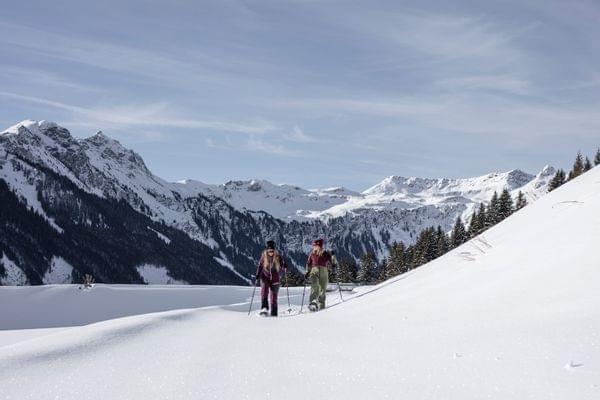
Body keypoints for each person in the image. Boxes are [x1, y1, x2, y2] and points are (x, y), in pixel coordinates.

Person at [256, 240, 288, 316]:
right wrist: (257, 275)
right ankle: (264, 308)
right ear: (267, 251)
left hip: (275, 279)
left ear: (274, 251)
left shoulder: (278, 257)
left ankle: (274, 312)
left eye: (272, 251)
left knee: (273, 297)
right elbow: (260, 266)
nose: (271, 253)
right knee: (264, 291)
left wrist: (284, 266)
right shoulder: (263, 257)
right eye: (269, 251)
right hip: (265, 277)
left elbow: (283, 264)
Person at [305, 238, 333, 311]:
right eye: (313, 246)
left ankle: (321, 306)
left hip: (324, 272)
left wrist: (332, 255)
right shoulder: (312, 254)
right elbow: (308, 263)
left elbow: (331, 261)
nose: (314, 247)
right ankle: (313, 302)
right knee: (315, 285)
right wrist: (307, 271)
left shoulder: (325, 253)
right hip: (314, 271)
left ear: (319, 246)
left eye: (315, 245)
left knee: (323, 290)